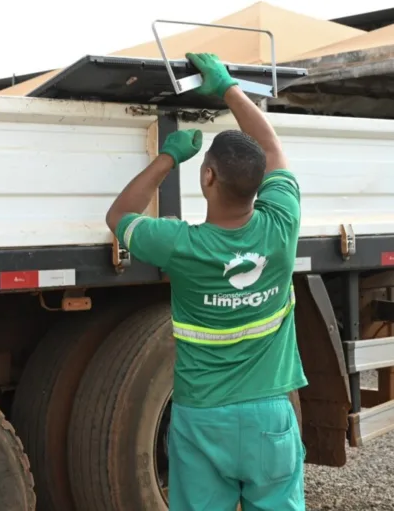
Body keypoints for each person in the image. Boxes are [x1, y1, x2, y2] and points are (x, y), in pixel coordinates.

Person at [105, 52, 308, 511]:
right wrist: (228, 86)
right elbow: (271, 147)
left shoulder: (179, 245)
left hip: (202, 417)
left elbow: (119, 216)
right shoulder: (282, 226)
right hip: (269, 416)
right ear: (260, 184)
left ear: (207, 176)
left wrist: (166, 158)